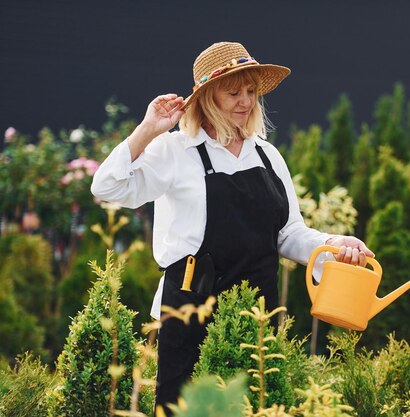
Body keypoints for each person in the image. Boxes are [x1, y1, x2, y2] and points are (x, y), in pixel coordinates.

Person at [90, 41, 373, 414]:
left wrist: (334, 245)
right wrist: (147, 130)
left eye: (251, 92)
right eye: (233, 91)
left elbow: (288, 234)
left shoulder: (267, 155)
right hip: (189, 315)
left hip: (255, 318)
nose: (245, 101)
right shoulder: (176, 150)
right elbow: (106, 187)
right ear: (208, 96)